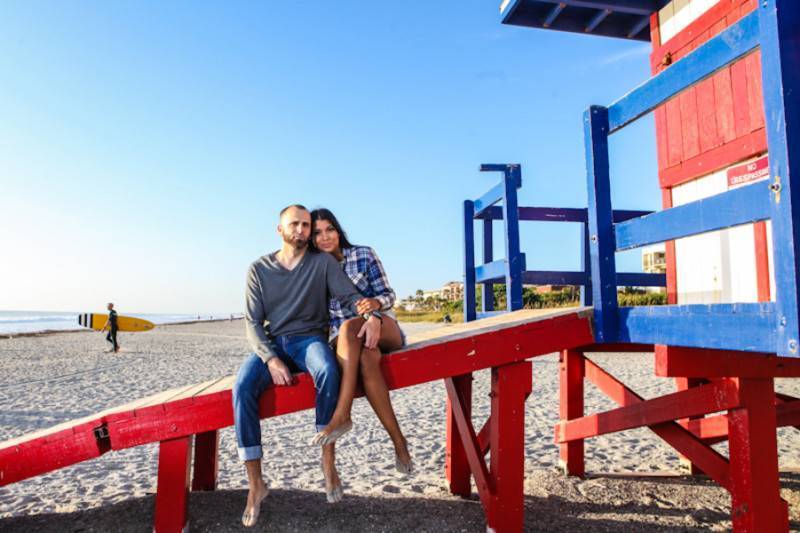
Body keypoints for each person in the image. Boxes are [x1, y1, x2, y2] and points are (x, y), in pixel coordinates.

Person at [234, 204, 382, 527]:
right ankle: (255, 485)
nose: (301, 230)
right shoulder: (258, 269)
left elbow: (350, 297)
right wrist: (271, 358)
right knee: (242, 385)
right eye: (294, 225)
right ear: (280, 229)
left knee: (328, 369)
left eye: (305, 225)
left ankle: (328, 460)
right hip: (274, 343)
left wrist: (371, 315)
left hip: (309, 340)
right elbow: (252, 322)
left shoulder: (323, 263)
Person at [309, 208, 413, 474]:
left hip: (382, 328)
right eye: (317, 233)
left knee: (348, 328)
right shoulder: (313, 269)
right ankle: (399, 442)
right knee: (366, 358)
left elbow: (389, 294)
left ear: (338, 230)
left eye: (329, 229)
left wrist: (375, 309)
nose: (325, 237)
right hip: (348, 343)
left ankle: (343, 412)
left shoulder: (363, 254)